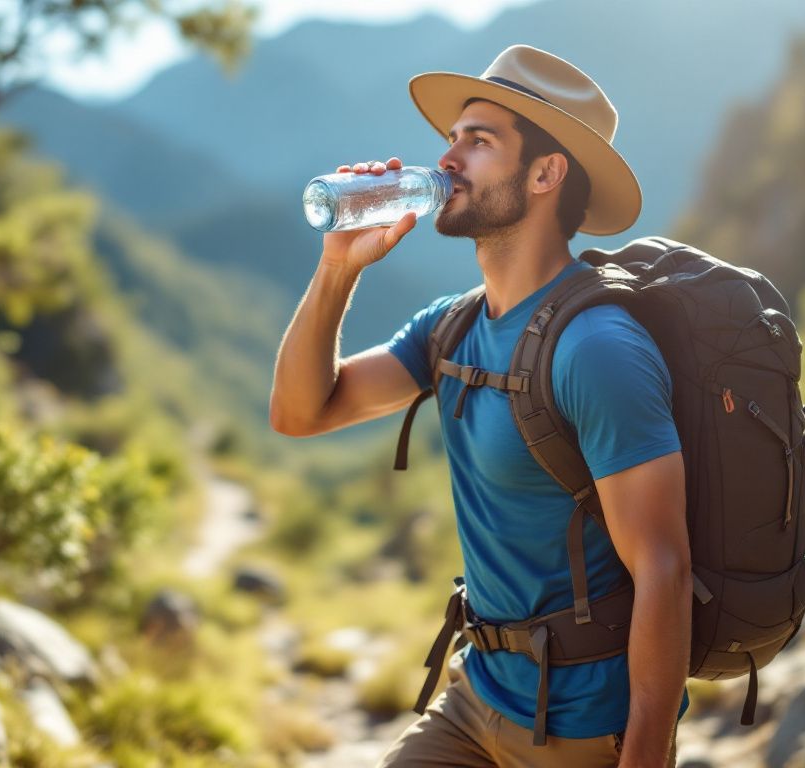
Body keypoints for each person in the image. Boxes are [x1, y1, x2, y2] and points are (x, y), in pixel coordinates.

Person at [269, 45, 690, 768]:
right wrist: (337, 267)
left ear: (545, 175)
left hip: (582, 727)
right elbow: (303, 413)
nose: (448, 158)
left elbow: (664, 570)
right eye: (453, 137)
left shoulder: (597, 349)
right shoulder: (452, 326)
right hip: (478, 697)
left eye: (479, 140)